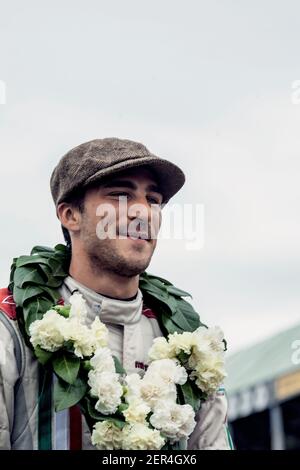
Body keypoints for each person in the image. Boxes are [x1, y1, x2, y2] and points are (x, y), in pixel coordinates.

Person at [0, 137, 234, 450]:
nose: (142, 212)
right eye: (121, 195)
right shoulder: (11, 325)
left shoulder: (192, 347)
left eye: (153, 199)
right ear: (70, 215)